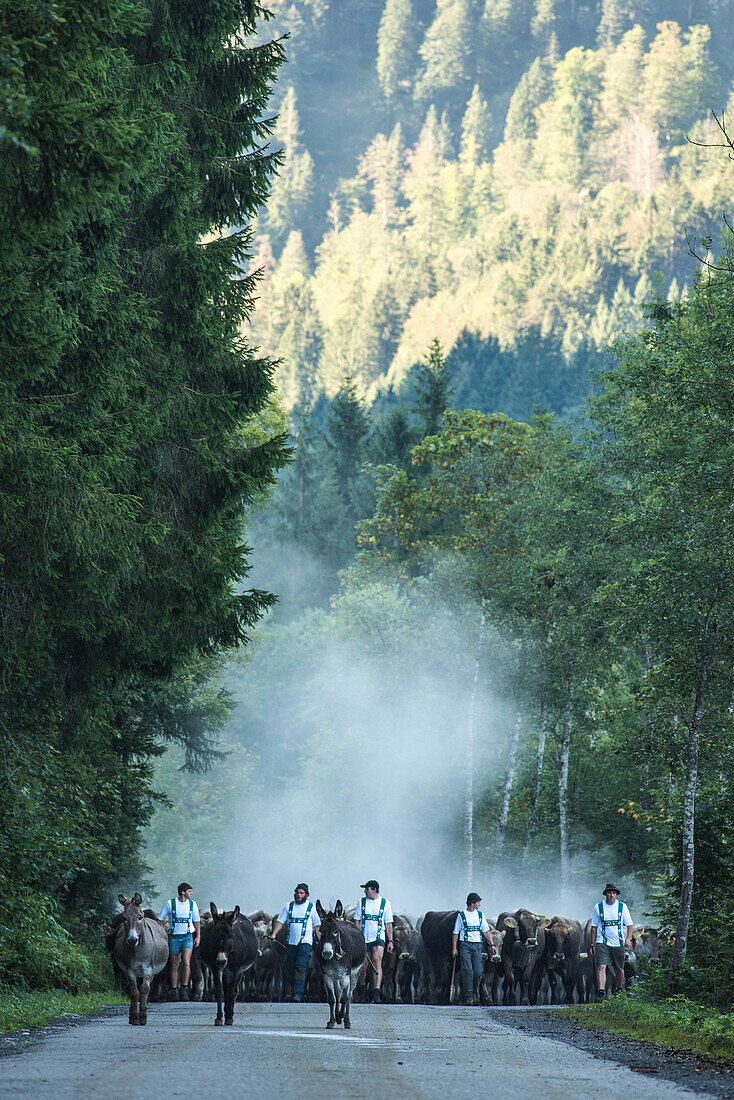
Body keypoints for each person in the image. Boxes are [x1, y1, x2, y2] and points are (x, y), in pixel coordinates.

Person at [271, 883, 321, 1002]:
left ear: (306, 895)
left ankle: (298, 994)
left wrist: (319, 939)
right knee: (290, 966)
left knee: (301, 965)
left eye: (301, 893)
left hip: (305, 942)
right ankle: (291, 991)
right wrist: (274, 934)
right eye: (297, 893)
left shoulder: (311, 907)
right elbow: (280, 922)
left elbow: (317, 925)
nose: (299, 895)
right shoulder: (289, 906)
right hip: (291, 943)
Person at [451, 892, 498, 1005]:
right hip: (465, 945)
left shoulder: (480, 915)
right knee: (467, 970)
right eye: (478, 902)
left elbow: (485, 931)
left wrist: (492, 944)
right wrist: (454, 948)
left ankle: (471, 992)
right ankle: (468, 997)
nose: (479, 905)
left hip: (477, 945)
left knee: (477, 972)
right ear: (471, 903)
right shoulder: (461, 916)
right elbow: (456, 932)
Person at [589, 882, 633, 1000]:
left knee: (619, 968)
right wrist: (593, 944)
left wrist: (628, 939)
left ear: (616, 894)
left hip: (618, 942)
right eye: (609, 893)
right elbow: (593, 927)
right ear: (605, 894)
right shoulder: (598, 907)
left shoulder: (622, 907)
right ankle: (601, 991)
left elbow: (629, 925)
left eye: (614, 893)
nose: (611, 895)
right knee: (601, 966)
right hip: (602, 941)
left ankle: (619, 988)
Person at [157, 882, 201, 1001]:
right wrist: (162, 932)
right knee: (174, 963)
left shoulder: (192, 904)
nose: (191, 893)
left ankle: (184, 988)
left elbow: (196, 921)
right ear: (183, 892)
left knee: (186, 962)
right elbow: (159, 919)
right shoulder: (170, 904)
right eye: (189, 891)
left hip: (187, 936)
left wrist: (198, 936)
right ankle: (174, 989)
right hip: (174, 936)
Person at [353, 879, 394, 1003]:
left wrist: (390, 940)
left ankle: (376, 992)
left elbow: (388, 924)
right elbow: (357, 921)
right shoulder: (361, 902)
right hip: (364, 938)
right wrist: (357, 938)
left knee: (377, 962)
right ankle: (362, 991)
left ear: (374, 890)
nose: (365, 891)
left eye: (367, 889)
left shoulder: (385, 903)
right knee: (363, 966)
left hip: (378, 937)